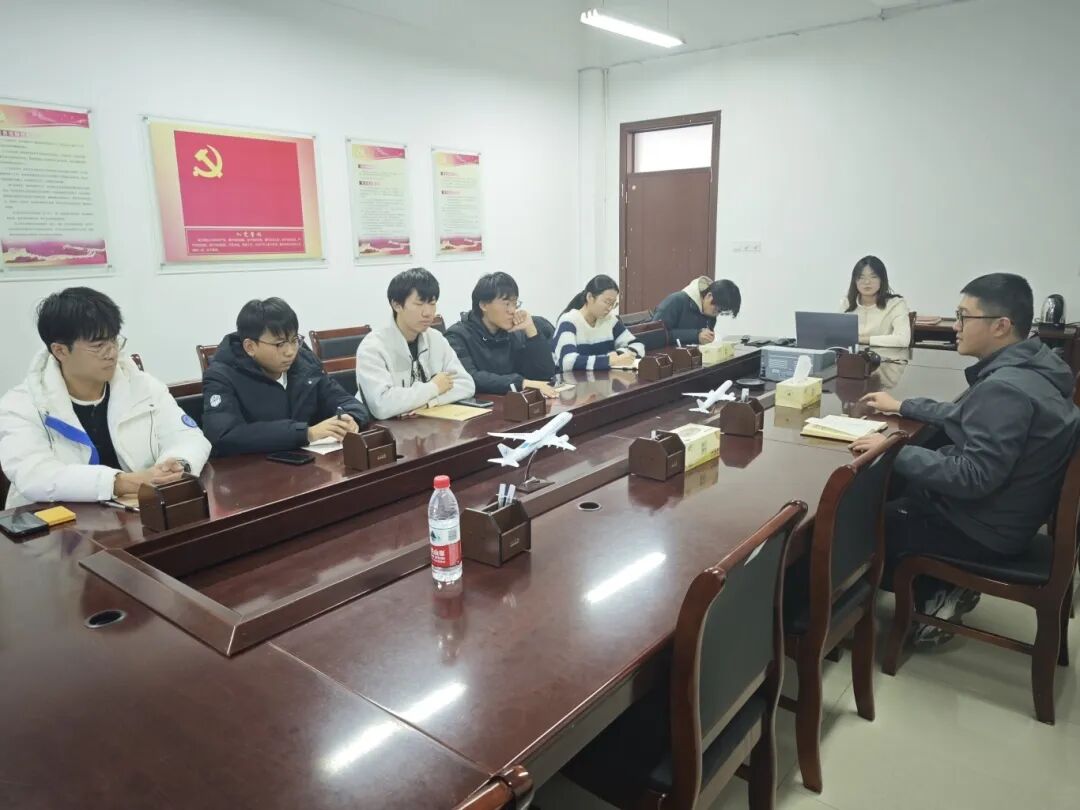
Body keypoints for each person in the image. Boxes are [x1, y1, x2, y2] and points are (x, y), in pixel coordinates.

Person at [852, 273, 1079, 646]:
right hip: (1013, 513)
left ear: (1001, 326)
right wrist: (904, 406)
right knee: (905, 479)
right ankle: (941, 587)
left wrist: (892, 449)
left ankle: (935, 597)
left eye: (963, 317)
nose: (955, 326)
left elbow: (973, 477)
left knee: (863, 521)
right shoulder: (1034, 367)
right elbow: (970, 415)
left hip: (985, 530)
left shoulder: (1005, 388)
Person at [0, 287, 210, 508]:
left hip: (136, 514)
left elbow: (189, 437)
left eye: (114, 341)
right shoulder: (21, 405)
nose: (112, 353)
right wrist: (121, 482)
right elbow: (34, 475)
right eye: (98, 346)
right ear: (60, 351)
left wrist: (176, 465)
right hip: (57, 522)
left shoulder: (142, 386)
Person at [202, 297, 370, 456]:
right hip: (254, 470)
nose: (290, 351)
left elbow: (347, 401)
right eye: (280, 344)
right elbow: (224, 435)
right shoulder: (221, 376)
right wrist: (306, 433)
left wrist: (350, 419)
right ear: (250, 347)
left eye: (294, 340)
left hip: (311, 464)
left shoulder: (305, 363)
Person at [356, 267, 475, 419]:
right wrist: (433, 388)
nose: (428, 313)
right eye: (419, 304)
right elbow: (382, 405)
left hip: (428, 423)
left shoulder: (436, 339)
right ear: (396, 305)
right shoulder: (373, 347)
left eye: (432, 303)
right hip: (387, 428)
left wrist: (430, 402)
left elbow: (466, 384)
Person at [445, 272, 558, 396]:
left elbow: (545, 376)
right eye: (506, 304)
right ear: (483, 305)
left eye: (515, 303)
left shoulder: (515, 332)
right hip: (482, 404)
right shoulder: (457, 336)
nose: (512, 310)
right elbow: (470, 378)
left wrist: (531, 331)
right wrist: (520, 383)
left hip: (516, 402)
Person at [552, 275, 644, 372]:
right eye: (607, 302)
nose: (610, 308)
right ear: (590, 297)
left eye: (613, 304)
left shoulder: (609, 320)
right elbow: (567, 362)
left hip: (601, 378)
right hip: (572, 380)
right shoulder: (569, 321)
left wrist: (619, 355)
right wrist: (609, 360)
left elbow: (638, 345)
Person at [841, 256, 911, 347]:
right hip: (852, 355)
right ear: (855, 281)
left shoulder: (896, 304)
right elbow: (837, 335)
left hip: (884, 355)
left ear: (882, 280)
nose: (867, 282)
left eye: (873, 277)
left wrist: (863, 340)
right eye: (861, 277)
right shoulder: (847, 303)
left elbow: (903, 340)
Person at [653, 277, 741, 346]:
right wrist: (695, 335)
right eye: (717, 309)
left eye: (720, 312)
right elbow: (655, 335)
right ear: (709, 296)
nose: (717, 314)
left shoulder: (709, 313)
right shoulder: (676, 301)